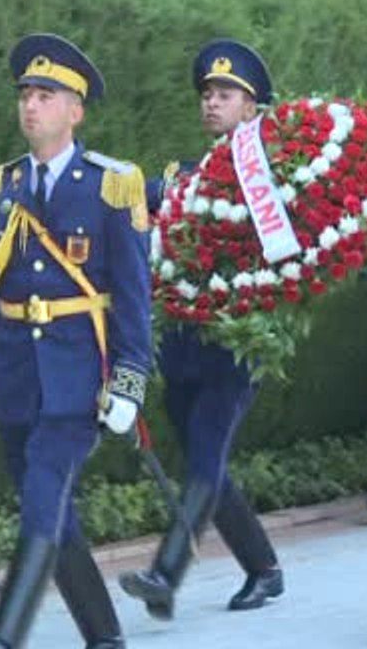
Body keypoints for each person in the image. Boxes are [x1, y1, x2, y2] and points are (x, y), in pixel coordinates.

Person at [0, 33, 152, 649]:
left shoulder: (112, 185)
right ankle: (105, 636)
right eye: (26, 94)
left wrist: (130, 381)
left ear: (75, 110)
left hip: (77, 381)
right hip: (14, 377)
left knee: (40, 502)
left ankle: (3, 637)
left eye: (46, 95)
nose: (31, 105)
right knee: (54, 514)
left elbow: (134, 299)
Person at [119, 39, 284, 619]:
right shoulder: (182, 175)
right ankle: (264, 569)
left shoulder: (270, 181)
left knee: (207, 454)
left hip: (239, 342)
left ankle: (166, 573)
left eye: (227, 94)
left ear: (254, 108)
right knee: (202, 462)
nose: (213, 102)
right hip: (186, 342)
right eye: (208, 94)